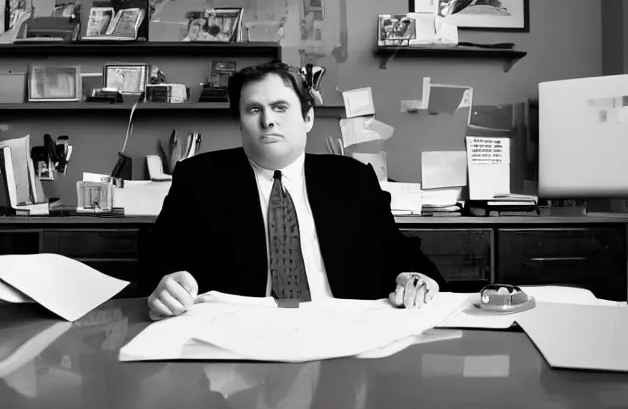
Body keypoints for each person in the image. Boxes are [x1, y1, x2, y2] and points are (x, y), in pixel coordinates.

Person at [136, 61, 447, 320]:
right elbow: (154, 264)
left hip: (340, 327)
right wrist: (163, 286)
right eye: (253, 110)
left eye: (280, 107)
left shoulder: (352, 179)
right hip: (237, 337)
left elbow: (401, 253)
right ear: (240, 122)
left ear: (308, 118)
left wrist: (415, 277)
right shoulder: (198, 178)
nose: (268, 120)